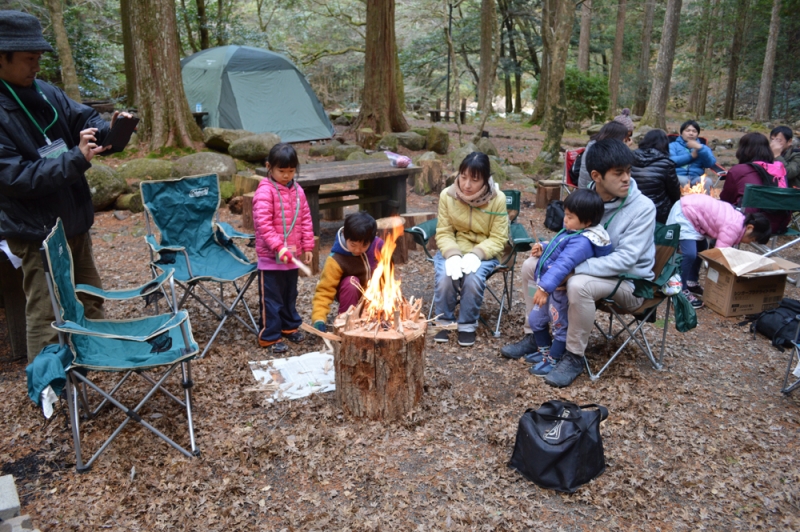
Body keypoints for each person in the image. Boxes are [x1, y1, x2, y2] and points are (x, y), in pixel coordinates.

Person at [0, 10, 131, 362]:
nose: (36, 66)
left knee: (89, 298)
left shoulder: (45, 92)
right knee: (48, 314)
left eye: (39, 58)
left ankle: (96, 367)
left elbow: (82, 117)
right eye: (29, 59)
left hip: (72, 220)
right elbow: (15, 178)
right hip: (35, 232)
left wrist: (110, 131)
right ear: (2, 57)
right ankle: (49, 385)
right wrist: (76, 158)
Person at [502, 139, 656, 388]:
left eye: (628, 171)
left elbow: (626, 259)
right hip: (590, 272)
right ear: (596, 176)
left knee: (577, 284)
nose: (626, 178)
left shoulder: (642, 208)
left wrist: (573, 270)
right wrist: (548, 248)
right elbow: (571, 236)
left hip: (628, 282)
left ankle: (573, 355)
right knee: (532, 266)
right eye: (618, 173)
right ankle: (535, 334)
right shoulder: (586, 197)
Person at [524, 189, 612, 377]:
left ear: (587, 222)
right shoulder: (572, 231)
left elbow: (563, 264)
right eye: (565, 214)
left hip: (558, 291)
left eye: (570, 216)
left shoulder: (583, 242)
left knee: (560, 326)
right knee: (535, 319)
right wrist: (544, 247)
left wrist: (544, 288)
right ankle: (544, 350)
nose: (565, 219)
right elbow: (558, 246)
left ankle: (554, 358)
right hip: (548, 288)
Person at [433, 152, 509, 347]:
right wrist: (452, 255)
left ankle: (467, 324)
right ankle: (443, 321)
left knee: (473, 278)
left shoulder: (497, 199)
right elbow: (444, 232)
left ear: (485, 180)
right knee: (445, 276)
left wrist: (477, 254)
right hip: (454, 248)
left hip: (484, 253)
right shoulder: (447, 196)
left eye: (474, 180)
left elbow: (499, 238)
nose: (467, 185)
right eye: (463, 177)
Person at [252, 143, 314, 353]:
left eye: (291, 171)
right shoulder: (265, 191)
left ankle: (289, 326)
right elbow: (263, 224)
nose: (286, 175)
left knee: (290, 294)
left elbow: (306, 219)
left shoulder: (298, 191)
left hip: (292, 256)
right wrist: (278, 247)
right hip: (271, 258)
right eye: (281, 171)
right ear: (269, 167)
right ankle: (269, 336)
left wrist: (308, 246)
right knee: (272, 299)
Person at [667, 193, 771, 309]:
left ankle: (691, 281)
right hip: (685, 212)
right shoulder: (733, 228)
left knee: (701, 247)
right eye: (752, 239)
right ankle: (679, 290)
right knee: (689, 253)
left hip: (693, 212)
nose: (749, 242)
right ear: (750, 227)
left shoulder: (740, 220)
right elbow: (719, 256)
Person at [311, 211, 384, 331]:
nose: (358, 250)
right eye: (353, 245)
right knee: (351, 282)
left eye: (364, 245)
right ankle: (346, 321)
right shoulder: (336, 259)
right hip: (349, 294)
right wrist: (319, 318)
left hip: (373, 295)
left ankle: (375, 316)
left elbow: (388, 276)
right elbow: (325, 290)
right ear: (345, 235)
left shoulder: (379, 246)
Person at [720, 132, 789, 234]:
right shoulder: (779, 169)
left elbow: (726, 199)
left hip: (749, 223)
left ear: (743, 150)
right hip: (778, 225)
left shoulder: (738, 170)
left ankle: (715, 243)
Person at [631, 129, 681, 224]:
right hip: (658, 210)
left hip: (633, 206)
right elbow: (674, 192)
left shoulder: (630, 157)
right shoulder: (666, 164)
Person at [577, 119, 632, 189]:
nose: (625, 140)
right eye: (624, 138)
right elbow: (619, 165)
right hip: (591, 188)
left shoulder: (594, 143)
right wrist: (625, 148)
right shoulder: (601, 150)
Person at [669, 120, 717, 189]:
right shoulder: (673, 146)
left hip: (696, 177)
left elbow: (710, 164)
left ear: (697, 134)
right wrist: (691, 156)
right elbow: (671, 161)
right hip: (678, 175)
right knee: (682, 181)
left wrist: (700, 149)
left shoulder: (703, 148)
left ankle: (704, 197)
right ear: (681, 133)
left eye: (694, 131)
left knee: (707, 182)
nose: (691, 133)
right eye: (688, 131)